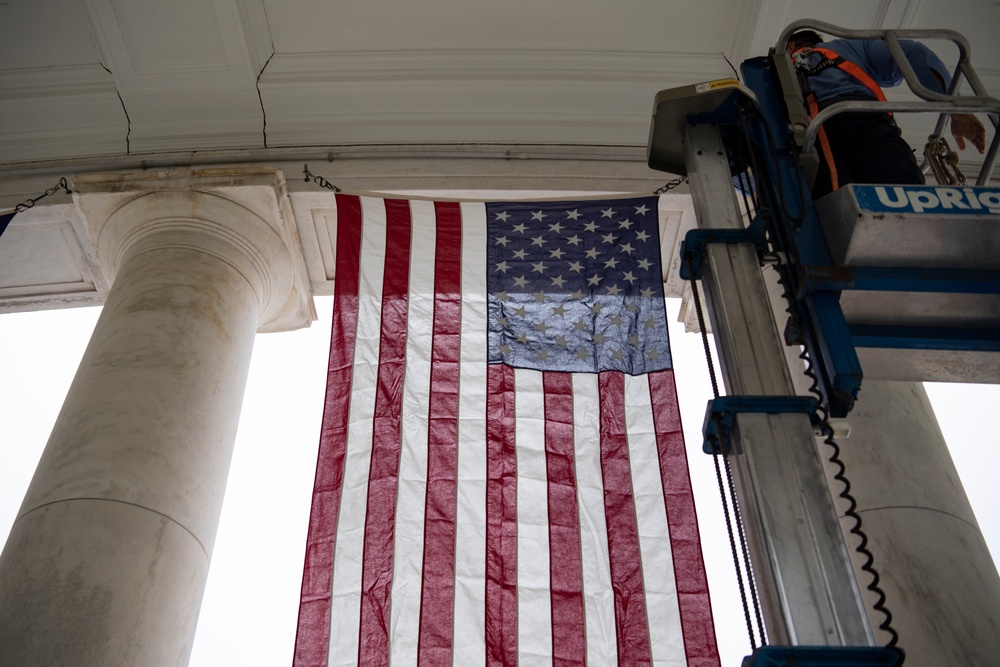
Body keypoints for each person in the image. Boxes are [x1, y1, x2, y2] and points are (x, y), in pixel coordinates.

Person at [786, 29, 986, 196]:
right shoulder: (851, 48)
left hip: (811, 141)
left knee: (831, 218)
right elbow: (910, 53)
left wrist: (955, 106)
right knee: (901, 201)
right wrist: (954, 105)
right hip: (866, 126)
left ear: (790, 46)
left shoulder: (771, 74)